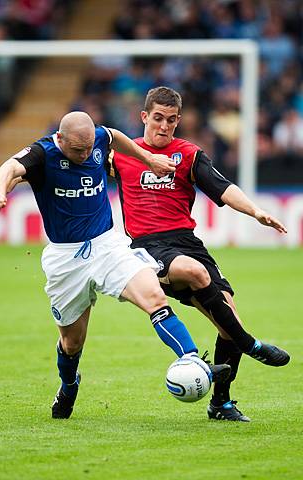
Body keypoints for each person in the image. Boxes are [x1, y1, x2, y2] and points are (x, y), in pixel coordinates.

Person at [0, 111, 231, 420]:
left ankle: (192, 359)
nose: (85, 155)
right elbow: (8, 168)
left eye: (89, 149)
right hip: (65, 258)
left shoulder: (97, 138)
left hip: (107, 246)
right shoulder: (42, 153)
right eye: (77, 150)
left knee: (154, 296)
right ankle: (69, 383)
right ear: (60, 139)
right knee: (71, 343)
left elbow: (115, 136)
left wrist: (148, 160)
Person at [110, 87, 290, 422]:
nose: (164, 127)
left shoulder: (188, 155)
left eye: (171, 120)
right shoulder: (123, 154)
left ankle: (220, 403)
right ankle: (252, 346)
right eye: (158, 119)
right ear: (144, 117)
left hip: (187, 242)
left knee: (228, 316)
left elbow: (223, 188)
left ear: (178, 121)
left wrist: (256, 212)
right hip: (148, 246)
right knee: (194, 272)